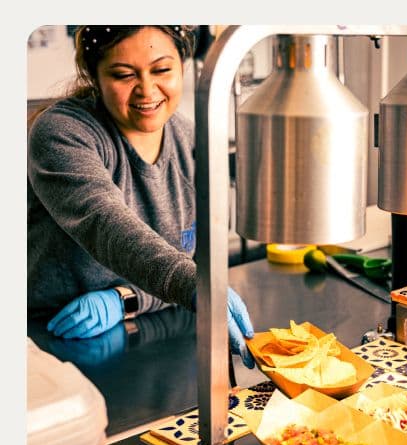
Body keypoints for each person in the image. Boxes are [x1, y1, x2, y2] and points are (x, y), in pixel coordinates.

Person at [27, 25, 256, 368]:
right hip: (53, 344)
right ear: (94, 76)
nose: (147, 90)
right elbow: (104, 223)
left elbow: (193, 262)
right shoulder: (62, 134)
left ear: (182, 65)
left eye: (162, 70)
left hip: (153, 336)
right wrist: (188, 282)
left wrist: (126, 300)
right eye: (123, 75)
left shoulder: (189, 141)